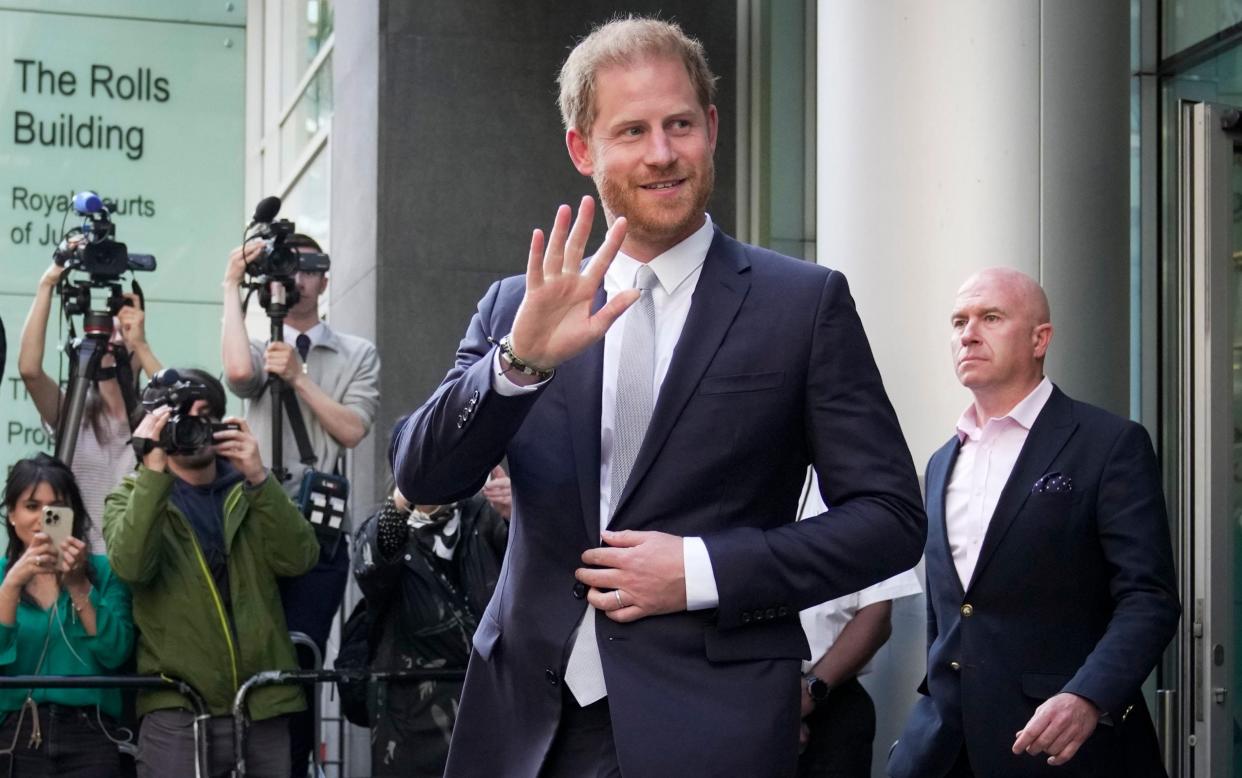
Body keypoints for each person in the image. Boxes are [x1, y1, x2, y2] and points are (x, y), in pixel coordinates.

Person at [389, 17, 925, 777]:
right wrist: (518, 363)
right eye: (632, 130)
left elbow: (891, 522)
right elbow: (421, 475)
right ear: (584, 148)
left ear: (711, 127)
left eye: (679, 125)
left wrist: (704, 570)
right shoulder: (520, 307)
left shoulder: (802, 305)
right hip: (522, 732)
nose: (662, 153)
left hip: (712, 727)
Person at [887, 268, 1181, 777]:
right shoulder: (939, 462)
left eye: (990, 318)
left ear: (1040, 338)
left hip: (1062, 747)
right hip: (943, 748)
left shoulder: (1108, 444)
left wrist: (1088, 696)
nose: (968, 334)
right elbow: (950, 611)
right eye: (959, 321)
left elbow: (1148, 598)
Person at [103, 369, 319, 778]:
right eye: (179, 417)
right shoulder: (131, 497)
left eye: (203, 415)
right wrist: (151, 469)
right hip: (178, 708)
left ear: (221, 422)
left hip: (262, 704)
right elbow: (132, 567)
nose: (192, 426)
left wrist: (259, 476)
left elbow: (301, 559)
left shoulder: (254, 490)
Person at [221, 235, 380, 776]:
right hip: (253, 514)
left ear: (323, 279)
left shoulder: (356, 352)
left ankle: (296, 762)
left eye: (305, 268)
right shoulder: (257, 342)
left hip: (320, 526)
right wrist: (229, 287)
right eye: (283, 269)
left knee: (301, 652)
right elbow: (240, 378)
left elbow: (352, 429)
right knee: (249, 646)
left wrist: (299, 377)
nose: (294, 279)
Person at [353, 475, 509, 777]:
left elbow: (536, 566)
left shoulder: (484, 515)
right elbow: (368, 567)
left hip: (483, 697)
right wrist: (403, 498)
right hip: (407, 710)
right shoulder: (390, 525)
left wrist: (519, 513)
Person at [0, 454, 134, 777]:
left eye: (56, 508)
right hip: (18, 733)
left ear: (73, 515)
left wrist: (78, 584)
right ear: (12, 515)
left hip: (91, 732)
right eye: (31, 506)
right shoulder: (4, 576)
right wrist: (11, 587)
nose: (43, 517)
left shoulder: (103, 573)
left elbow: (117, 651)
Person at [19, 262, 163, 553]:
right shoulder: (74, 410)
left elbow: (181, 407)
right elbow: (30, 371)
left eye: (122, 332)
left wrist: (141, 344)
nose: (113, 341)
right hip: (74, 558)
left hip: (134, 559)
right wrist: (47, 285)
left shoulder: (154, 416)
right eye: (107, 333)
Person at [795, 477, 921, 778]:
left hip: (829, 694)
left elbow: (877, 617)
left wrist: (808, 694)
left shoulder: (864, 499)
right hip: (742, 697)